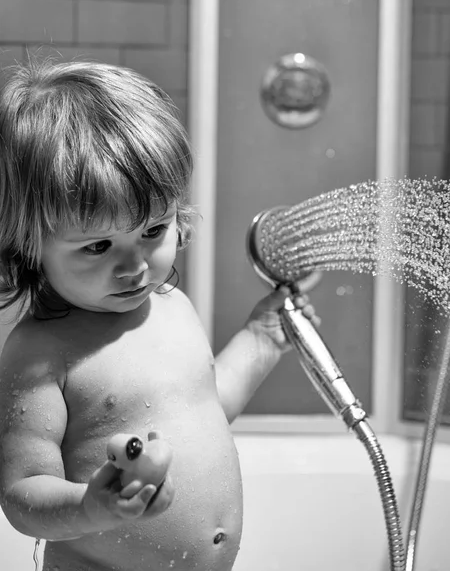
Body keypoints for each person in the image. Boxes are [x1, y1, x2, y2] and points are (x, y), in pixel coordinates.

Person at [0, 59, 320, 571]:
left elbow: (207, 408)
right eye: (99, 245)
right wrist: (90, 507)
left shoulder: (172, 308)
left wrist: (261, 338)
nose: (133, 266)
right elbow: (22, 494)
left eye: (153, 231)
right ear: (29, 243)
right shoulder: (40, 354)